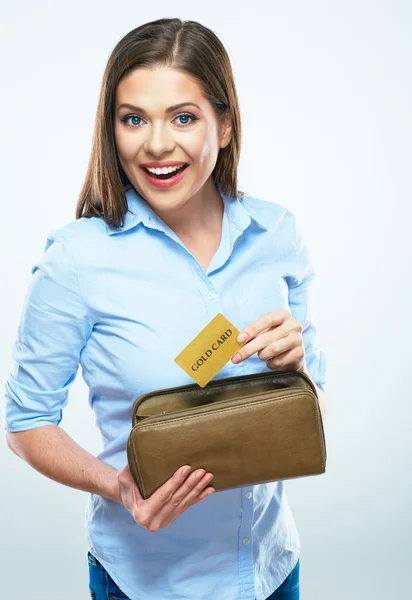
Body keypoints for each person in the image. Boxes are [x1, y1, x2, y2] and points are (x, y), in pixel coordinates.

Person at [3, 17, 327, 600]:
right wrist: (119, 487)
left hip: (271, 567)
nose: (156, 145)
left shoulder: (278, 233)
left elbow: (315, 396)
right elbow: (26, 422)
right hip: (147, 580)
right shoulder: (75, 261)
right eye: (134, 119)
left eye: (183, 117)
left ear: (224, 126)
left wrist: (298, 368)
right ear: (113, 129)